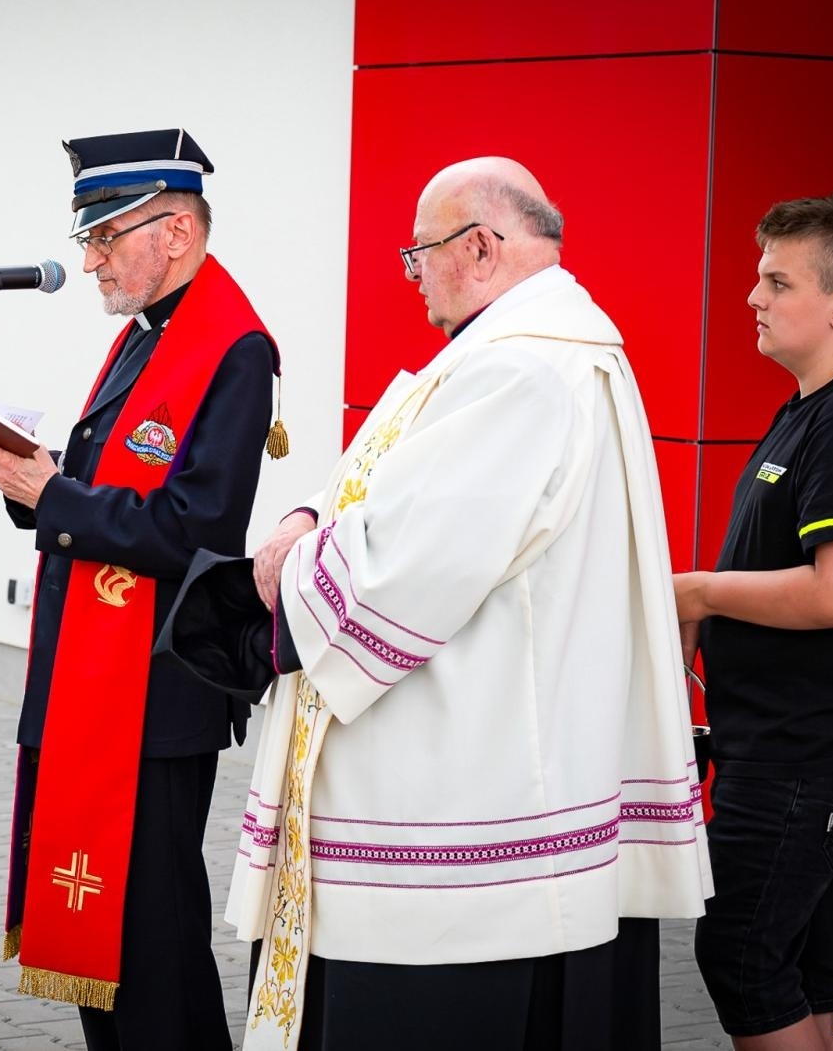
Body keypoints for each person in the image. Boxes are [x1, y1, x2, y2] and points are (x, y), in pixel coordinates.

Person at [226, 157, 712, 1050]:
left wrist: (288, 570)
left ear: (480, 246)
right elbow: (394, 499)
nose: (414, 281)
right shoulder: (550, 351)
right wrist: (316, 514)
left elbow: (394, 574)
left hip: (462, 833)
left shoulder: (520, 373)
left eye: (418, 256)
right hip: (526, 785)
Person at [0, 128, 281, 1050]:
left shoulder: (232, 348)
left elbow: (193, 530)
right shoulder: (150, 334)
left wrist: (53, 496)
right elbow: (114, 491)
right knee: (109, 957)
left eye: (107, 237)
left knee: (155, 947)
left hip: (158, 685)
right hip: (100, 679)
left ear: (176, 232)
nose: (91, 259)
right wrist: (39, 484)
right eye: (88, 239)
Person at [674, 192, 833, 1051]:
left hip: (811, 745)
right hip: (787, 737)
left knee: (742, 952)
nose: (754, 297)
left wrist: (704, 594)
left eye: (778, 281)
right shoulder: (815, 408)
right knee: (816, 960)